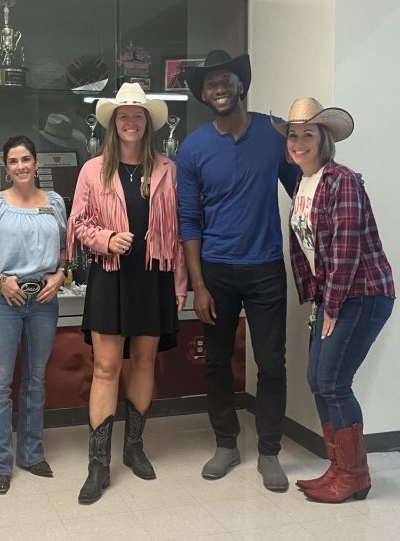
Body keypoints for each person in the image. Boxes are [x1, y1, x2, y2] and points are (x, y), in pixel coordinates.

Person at [175, 50, 300, 491]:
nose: (219, 88)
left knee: (272, 364)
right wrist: (199, 285)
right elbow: (188, 222)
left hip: (265, 266)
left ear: (240, 84)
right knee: (216, 362)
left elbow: (303, 190)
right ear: (203, 94)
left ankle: (269, 451)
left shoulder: (273, 133)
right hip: (216, 272)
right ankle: (226, 444)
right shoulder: (192, 149)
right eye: (210, 84)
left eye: (225, 80)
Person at [67, 83, 187, 504]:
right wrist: (106, 238)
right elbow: (78, 223)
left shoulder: (169, 169)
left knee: (144, 361)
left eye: (138, 115)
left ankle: (134, 446)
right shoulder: (93, 170)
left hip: (154, 275)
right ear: (113, 125)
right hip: (111, 275)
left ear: (148, 123)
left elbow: (178, 231)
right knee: (104, 368)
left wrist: (180, 286)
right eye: (123, 116)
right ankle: (97, 463)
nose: (131, 121)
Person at [271, 98, 395, 502]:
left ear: (325, 139)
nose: (299, 142)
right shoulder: (303, 184)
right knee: (317, 380)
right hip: (334, 295)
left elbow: (346, 248)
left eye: (309, 133)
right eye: (293, 135)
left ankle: (354, 476)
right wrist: (315, 301)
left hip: (362, 293)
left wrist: (334, 304)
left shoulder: (341, 180)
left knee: (333, 382)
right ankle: (339, 468)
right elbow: (305, 251)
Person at [0, 135, 67, 495]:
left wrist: (59, 276)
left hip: (43, 301)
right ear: (5, 167)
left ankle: (31, 454)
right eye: (13, 161)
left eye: (26, 159)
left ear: (37, 163)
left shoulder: (54, 202)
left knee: (36, 380)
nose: (21, 166)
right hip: (2, 302)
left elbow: (63, 250)